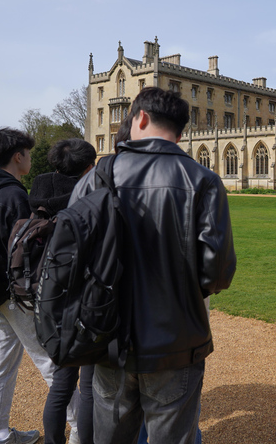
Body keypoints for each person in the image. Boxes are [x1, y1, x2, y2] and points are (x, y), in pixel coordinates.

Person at [69, 87, 236, 444]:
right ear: (180, 131)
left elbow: (71, 262)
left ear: (140, 118)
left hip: (108, 339)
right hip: (175, 341)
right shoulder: (203, 181)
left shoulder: (94, 179)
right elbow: (217, 273)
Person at [0, 128, 49, 444]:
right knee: (50, 360)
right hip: (15, 292)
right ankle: (81, 427)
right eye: (28, 153)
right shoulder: (12, 194)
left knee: (2, 364)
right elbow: (24, 249)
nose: (29, 157)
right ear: (18, 156)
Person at [34, 139, 97, 444]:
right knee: (88, 387)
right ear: (88, 167)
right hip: (87, 295)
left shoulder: (41, 188)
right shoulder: (91, 193)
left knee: (62, 383)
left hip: (51, 294)